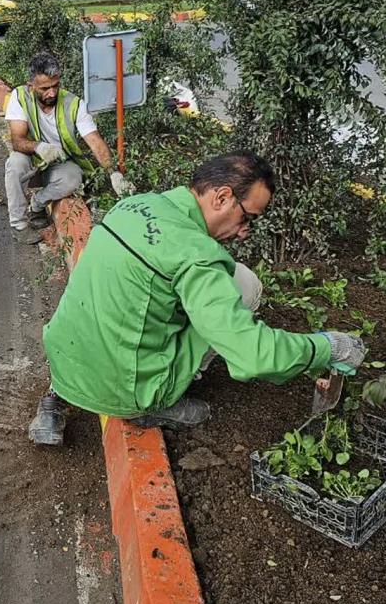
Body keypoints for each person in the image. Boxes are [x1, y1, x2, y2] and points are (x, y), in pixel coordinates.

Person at [27, 152, 366, 445]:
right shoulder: (196, 255)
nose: (245, 230)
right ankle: (157, 403)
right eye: (248, 218)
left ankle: (55, 397)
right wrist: (328, 346)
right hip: (124, 392)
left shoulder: (136, 204)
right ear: (221, 198)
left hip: (64, 359)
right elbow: (253, 355)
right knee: (245, 286)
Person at [5, 52, 132, 245]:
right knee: (14, 164)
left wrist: (113, 172)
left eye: (55, 86)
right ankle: (19, 225)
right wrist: (40, 147)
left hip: (58, 163)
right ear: (31, 86)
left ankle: (37, 204)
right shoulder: (20, 96)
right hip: (32, 159)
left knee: (73, 178)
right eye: (45, 88)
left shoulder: (73, 104)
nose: (52, 93)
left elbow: (94, 141)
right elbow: (17, 141)